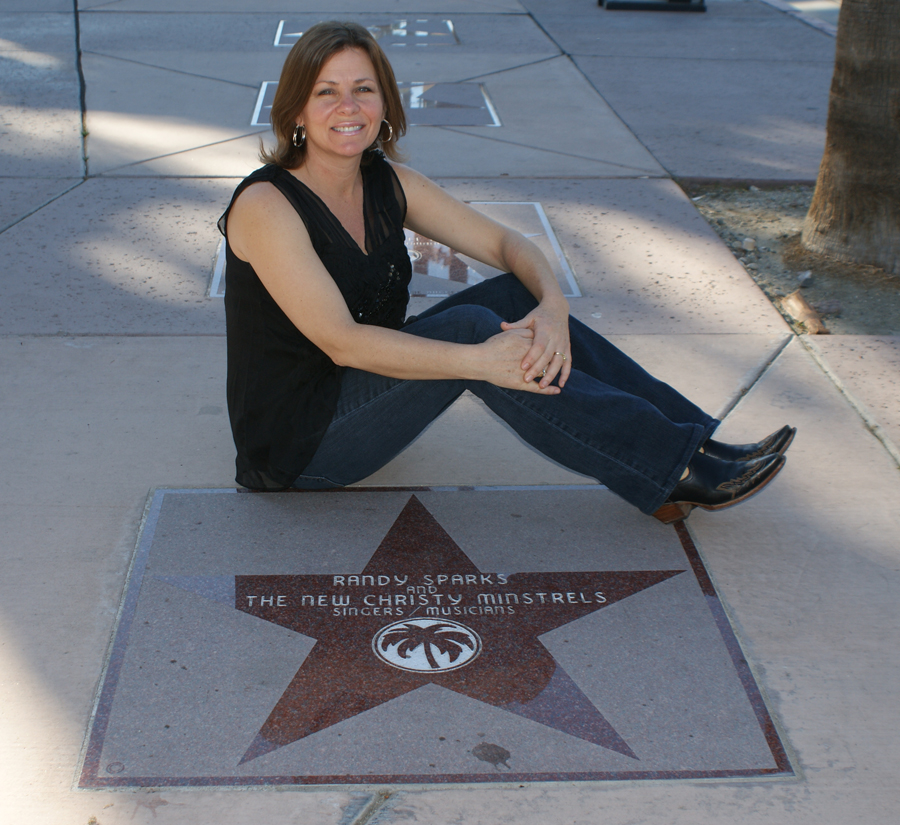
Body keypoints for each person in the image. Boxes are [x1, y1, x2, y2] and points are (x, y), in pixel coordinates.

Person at [218, 21, 793, 524]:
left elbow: (505, 242)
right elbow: (340, 343)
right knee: (473, 327)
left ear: (385, 102)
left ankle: (696, 445)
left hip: (361, 393)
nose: (349, 107)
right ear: (296, 109)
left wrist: (552, 308)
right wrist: (479, 363)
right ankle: (670, 469)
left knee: (515, 295)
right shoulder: (268, 207)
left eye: (363, 89)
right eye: (327, 92)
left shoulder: (387, 182)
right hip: (299, 441)